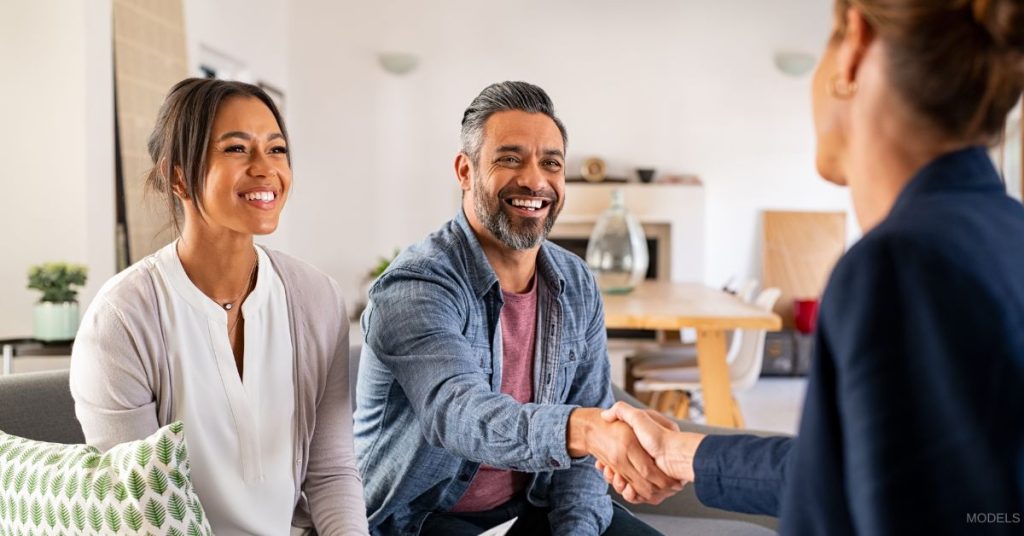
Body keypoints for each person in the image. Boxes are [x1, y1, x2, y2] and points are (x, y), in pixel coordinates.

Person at [597, 0, 1024, 534]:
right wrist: (683, 452)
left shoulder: (901, 267)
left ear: (854, 46)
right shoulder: (1006, 232)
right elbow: (870, 474)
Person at [355, 81, 677, 536]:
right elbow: (459, 414)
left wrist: (576, 531)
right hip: (419, 520)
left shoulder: (576, 282)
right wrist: (584, 430)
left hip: (529, 508)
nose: (534, 180)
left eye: (551, 163)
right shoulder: (416, 285)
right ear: (465, 171)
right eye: (509, 159)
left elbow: (585, 449)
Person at [70, 78, 369, 536]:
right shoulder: (122, 320)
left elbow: (330, 473)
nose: (265, 169)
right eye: (236, 149)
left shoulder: (316, 298)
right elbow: (140, 509)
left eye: (276, 149)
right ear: (177, 177)